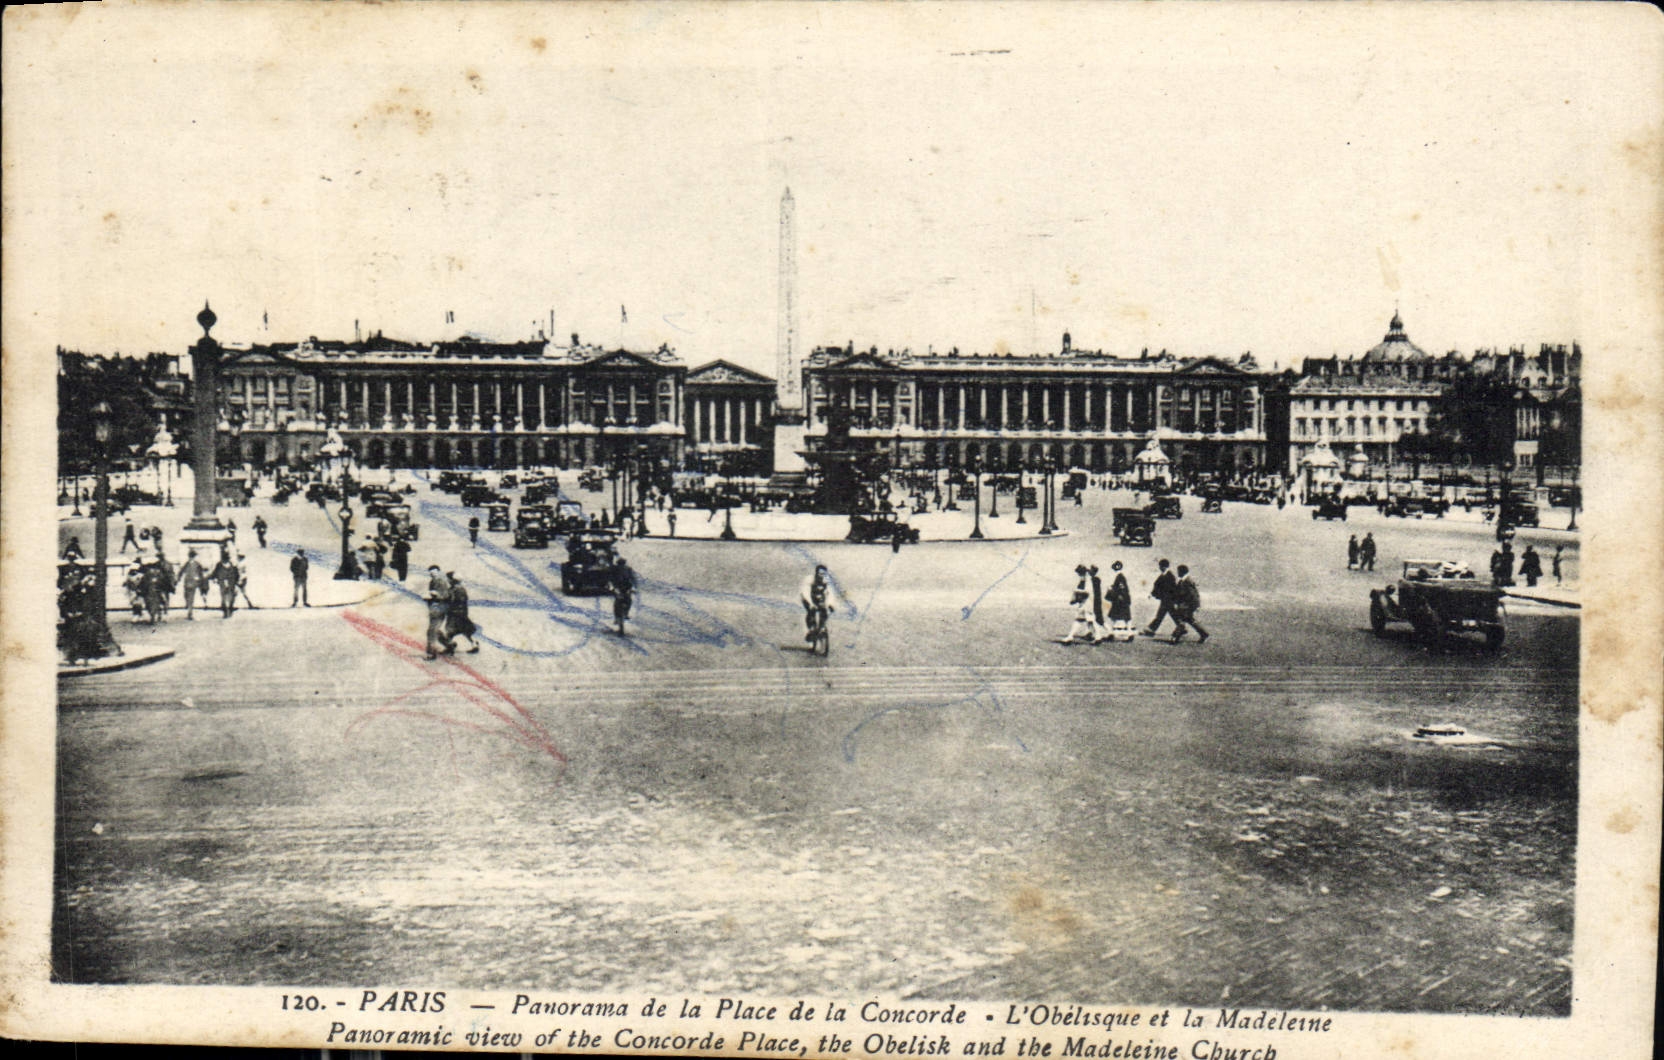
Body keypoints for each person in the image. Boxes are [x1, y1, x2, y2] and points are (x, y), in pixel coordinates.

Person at [1169, 564, 1209, 644]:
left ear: (1181, 572)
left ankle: (1175, 637)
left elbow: (1193, 595)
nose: (1177, 573)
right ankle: (1204, 634)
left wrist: (1195, 606)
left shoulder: (1187, 581)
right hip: (1185, 605)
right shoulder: (1183, 580)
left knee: (1181, 621)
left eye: (1178, 571)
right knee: (1190, 620)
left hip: (1186, 606)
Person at [1141, 559, 1178, 637]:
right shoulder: (1165, 575)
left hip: (1167, 600)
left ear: (1163, 567)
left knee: (1161, 615)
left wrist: (1154, 594)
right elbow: (1157, 585)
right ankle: (1181, 627)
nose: (1159, 568)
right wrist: (1152, 594)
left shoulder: (1170, 576)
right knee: (1173, 615)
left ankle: (1151, 630)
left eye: (1160, 566)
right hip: (1166, 600)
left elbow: (1171, 589)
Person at [799, 564, 834, 644]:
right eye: (820, 574)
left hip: (819, 597)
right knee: (811, 611)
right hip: (808, 598)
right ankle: (811, 629)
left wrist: (830, 604)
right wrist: (810, 603)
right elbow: (806, 592)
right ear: (816, 573)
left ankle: (821, 628)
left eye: (824, 574)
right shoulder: (809, 579)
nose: (821, 576)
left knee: (824, 610)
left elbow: (830, 593)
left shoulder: (826, 580)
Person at [425, 565, 454, 659]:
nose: (432, 574)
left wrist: (435, 595)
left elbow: (445, 596)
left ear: (438, 571)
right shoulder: (434, 581)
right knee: (435, 629)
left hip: (439, 608)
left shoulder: (441, 581)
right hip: (436, 608)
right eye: (431, 573)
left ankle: (431, 653)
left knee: (432, 631)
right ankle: (449, 645)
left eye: (434, 573)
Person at [446, 572, 481, 652]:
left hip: (458, 614)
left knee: (452, 630)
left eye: (448, 579)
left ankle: (450, 646)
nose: (447, 580)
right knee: (459, 631)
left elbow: (459, 602)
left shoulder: (459, 590)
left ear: (453, 580)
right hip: (456, 614)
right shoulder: (453, 588)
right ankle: (473, 644)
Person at [1106, 560, 1134, 641]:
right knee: (1124, 618)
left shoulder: (1119, 577)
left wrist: (1112, 589)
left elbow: (1121, 589)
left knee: (1114, 617)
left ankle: (1112, 634)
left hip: (1120, 601)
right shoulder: (1121, 577)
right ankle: (1128, 633)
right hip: (1123, 600)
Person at [611, 557, 636, 636]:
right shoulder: (616, 569)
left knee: (625, 601)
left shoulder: (627, 569)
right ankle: (623, 615)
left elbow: (632, 579)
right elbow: (611, 579)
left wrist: (633, 587)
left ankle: (621, 616)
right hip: (620, 588)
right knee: (625, 602)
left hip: (624, 588)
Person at [179, 549, 206, 619]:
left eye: (192, 556)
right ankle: (189, 607)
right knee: (186, 596)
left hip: (192, 583)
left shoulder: (197, 564)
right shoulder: (187, 564)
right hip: (188, 582)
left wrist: (199, 579)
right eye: (190, 556)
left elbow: (201, 573)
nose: (191, 558)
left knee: (191, 597)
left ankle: (190, 611)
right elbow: (181, 571)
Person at [213, 549, 239, 617]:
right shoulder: (220, 565)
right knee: (225, 597)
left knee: (229, 597)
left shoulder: (231, 565)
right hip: (225, 582)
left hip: (230, 582)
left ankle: (228, 610)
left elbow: (236, 574)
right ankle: (226, 611)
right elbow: (215, 573)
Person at [1087, 564, 1109, 642]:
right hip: (1097, 601)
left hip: (1094, 601)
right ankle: (1108, 632)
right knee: (1098, 618)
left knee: (1095, 619)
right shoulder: (1097, 579)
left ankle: (1095, 634)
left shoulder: (1093, 580)